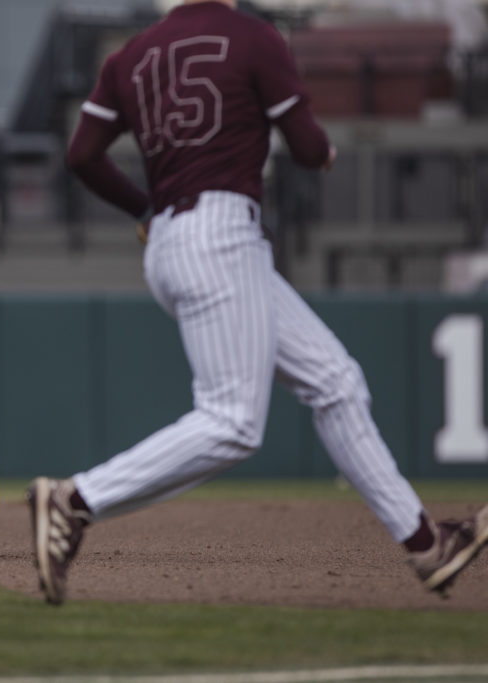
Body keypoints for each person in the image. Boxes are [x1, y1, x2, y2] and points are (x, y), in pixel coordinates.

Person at [28, 0, 488, 605]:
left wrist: (143, 208)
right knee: (233, 422)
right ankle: (74, 499)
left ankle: (426, 544)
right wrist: (322, 150)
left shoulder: (130, 54)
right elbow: (304, 146)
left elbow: (82, 155)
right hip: (220, 231)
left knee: (336, 381)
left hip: (172, 237)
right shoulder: (252, 36)